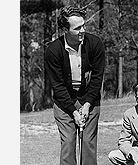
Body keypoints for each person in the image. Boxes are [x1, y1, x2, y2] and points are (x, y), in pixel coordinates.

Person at [44, 6, 105, 165]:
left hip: (89, 98)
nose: (82, 30)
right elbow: (58, 86)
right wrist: (73, 111)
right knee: (69, 143)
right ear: (65, 29)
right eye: (77, 28)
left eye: (84, 25)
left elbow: (97, 77)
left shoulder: (95, 44)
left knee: (88, 143)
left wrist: (87, 105)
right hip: (64, 102)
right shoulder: (53, 51)